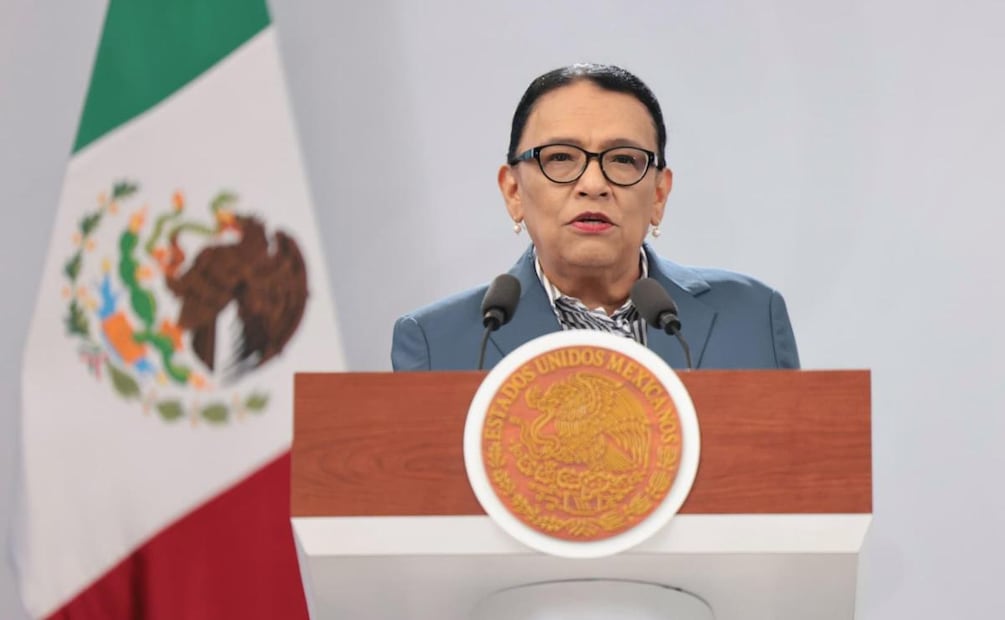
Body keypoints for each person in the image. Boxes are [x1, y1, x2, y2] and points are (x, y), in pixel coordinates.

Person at [391, 63, 799, 371]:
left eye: (623, 159)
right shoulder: (438, 342)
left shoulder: (751, 313)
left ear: (659, 193)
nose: (593, 184)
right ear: (513, 191)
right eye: (561, 158)